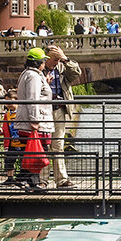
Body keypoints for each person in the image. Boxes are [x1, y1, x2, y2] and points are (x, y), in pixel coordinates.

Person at [13, 47, 53, 193]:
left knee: (32, 151)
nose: (44, 64)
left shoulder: (30, 74)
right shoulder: (33, 76)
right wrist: (35, 120)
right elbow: (33, 98)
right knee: (38, 152)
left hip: (32, 121)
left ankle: (25, 179)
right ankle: (29, 180)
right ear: (38, 63)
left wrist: (45, 82)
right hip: (36, 122)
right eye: (43, 61)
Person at [41, 44, 82, 189]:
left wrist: (65, 58)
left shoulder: (62, 67)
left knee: (57, 146)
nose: (56, 62)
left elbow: (77, 73)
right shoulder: (38, 69)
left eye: (58, 59)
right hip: (43, 111)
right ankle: (43, 180)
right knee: (44, 145)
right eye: (54, 59)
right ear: (46, 58)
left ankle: (61, 180)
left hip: (59, 110)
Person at [0, 89, 21, 187]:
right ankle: (10, 178)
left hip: (22, 141)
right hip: (12, 142)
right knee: (9, 160)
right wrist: (0, 131)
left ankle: (23, 178)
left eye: (10, 102)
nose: (8, 104)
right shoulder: (7, 115)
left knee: (24, 160)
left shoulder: (21, 113)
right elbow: (6, 130)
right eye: (7, 102)